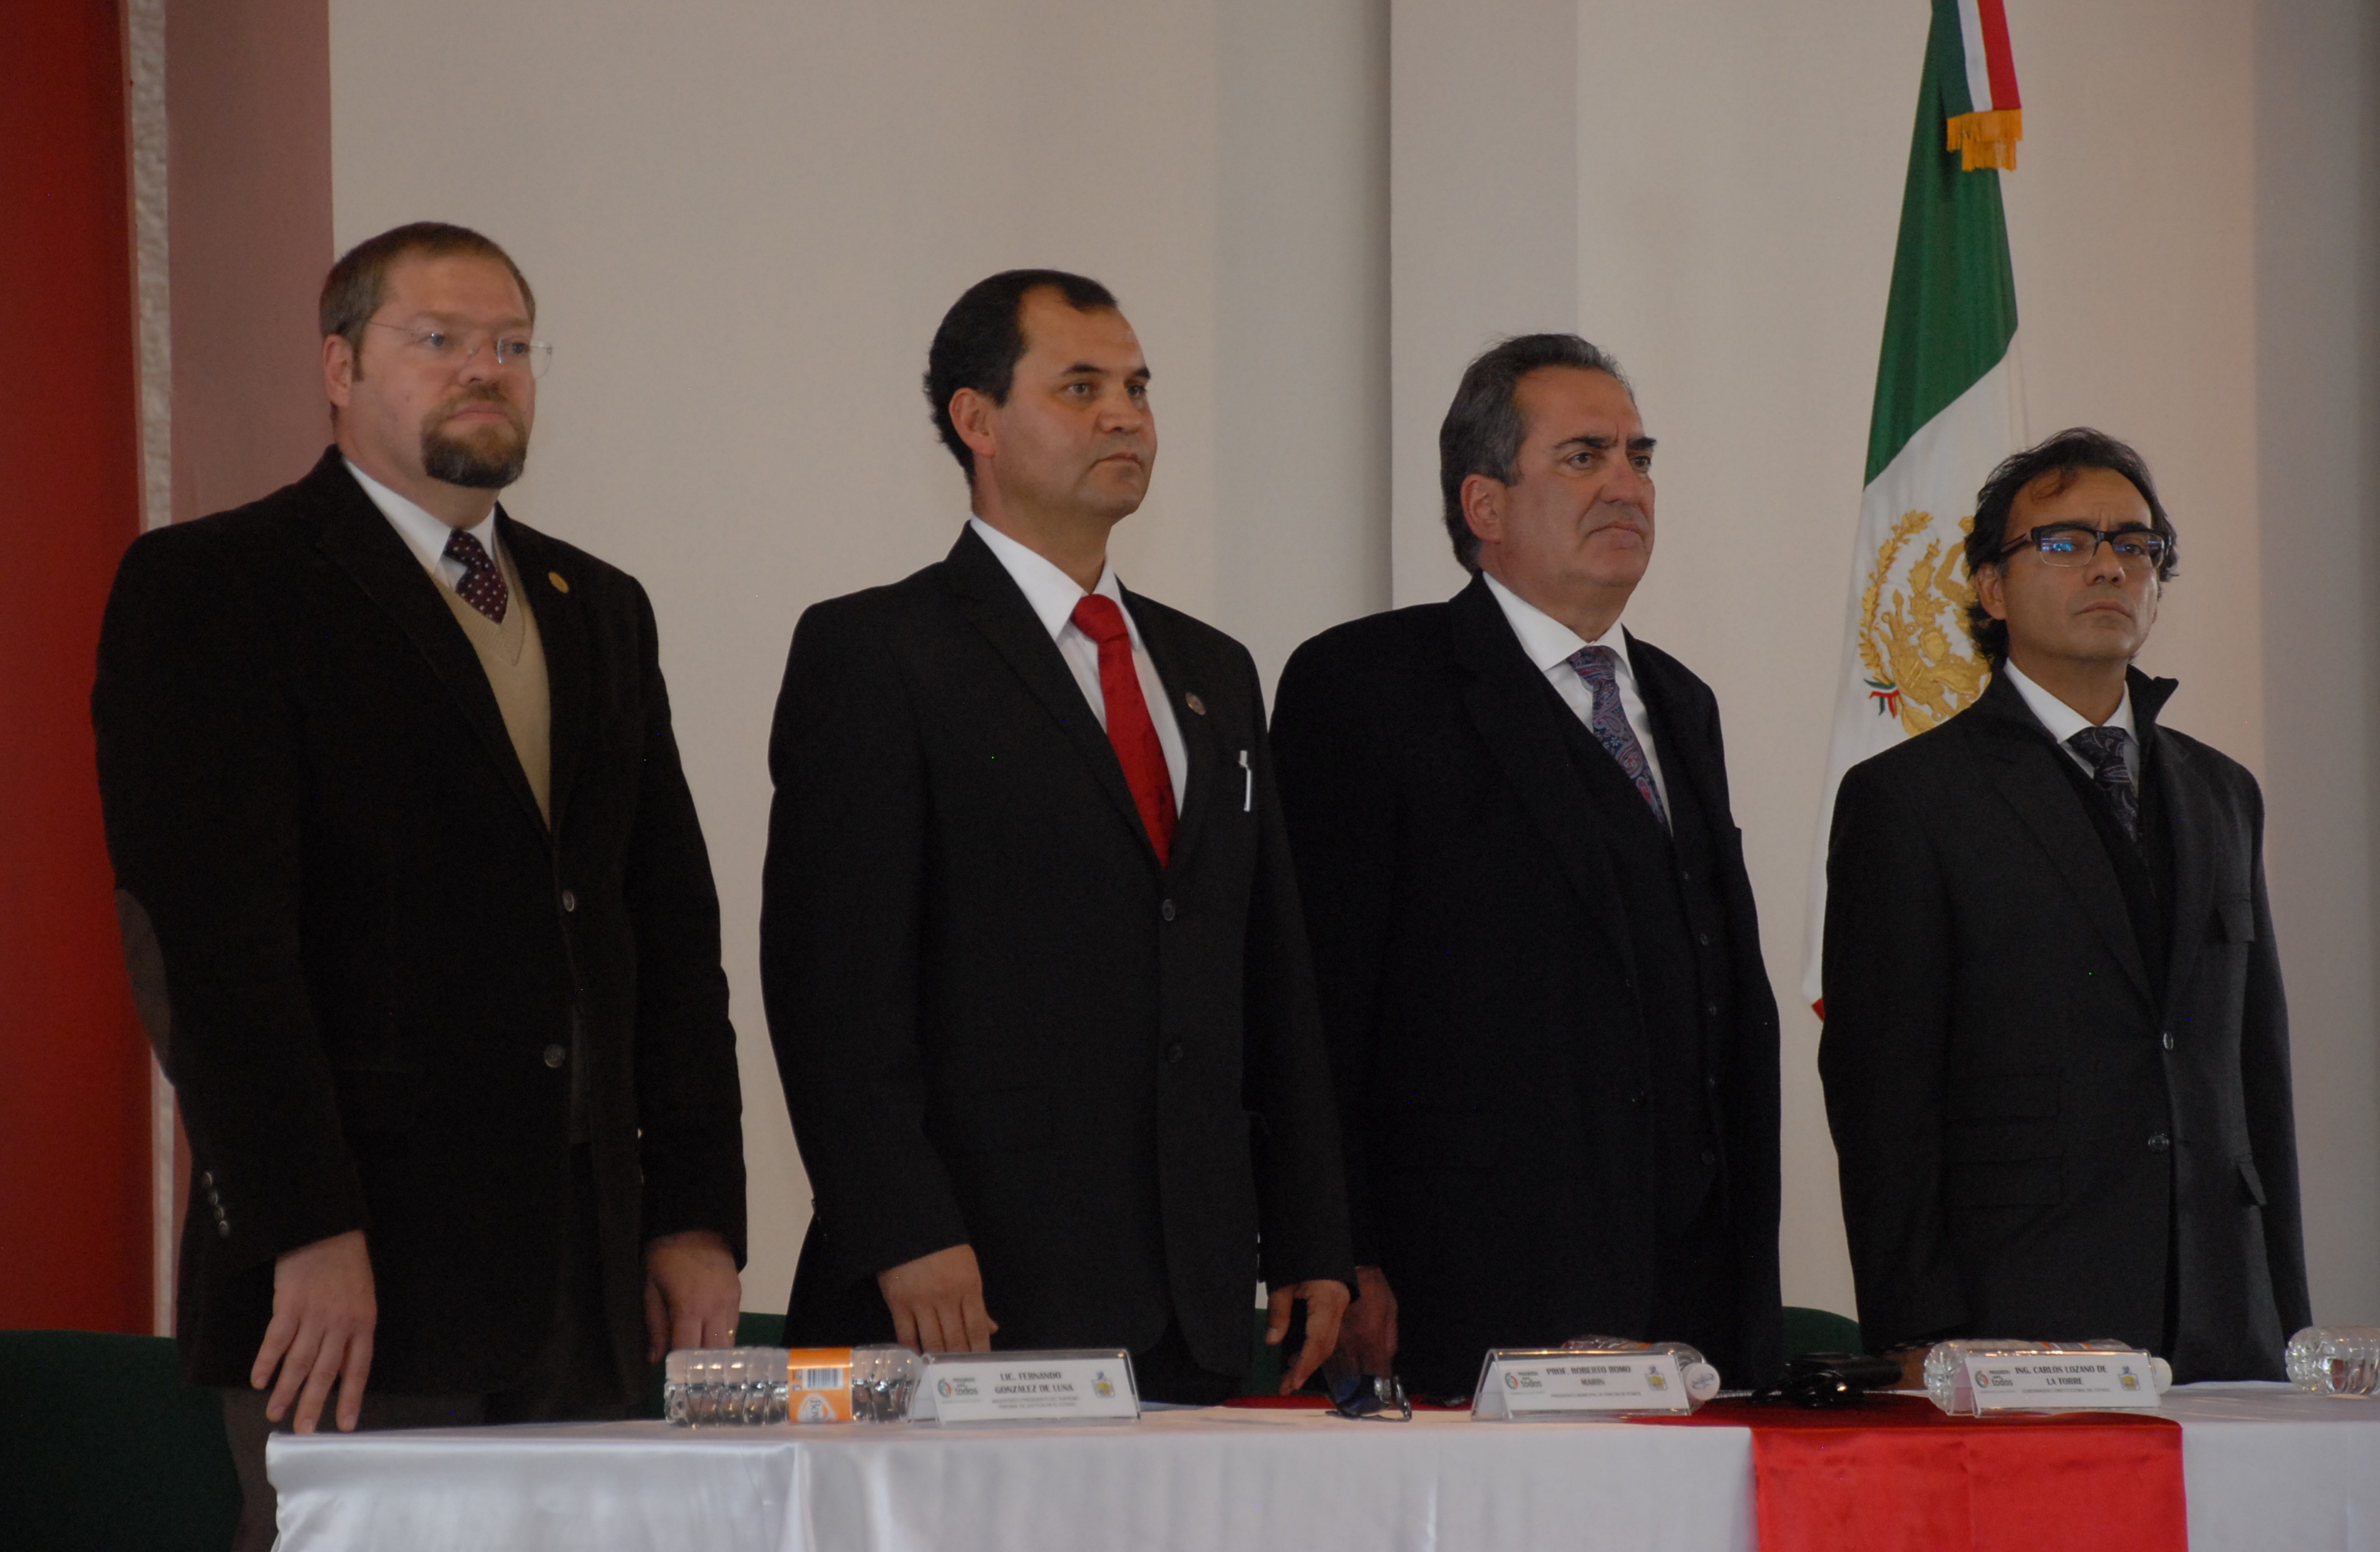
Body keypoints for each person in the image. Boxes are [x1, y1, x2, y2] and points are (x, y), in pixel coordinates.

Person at [93, 223, 746, 1548]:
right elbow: (212, 954)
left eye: (511, 345)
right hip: (352, 1282)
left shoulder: (599, 605)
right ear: (340, 368)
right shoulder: (218, 584)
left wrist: (693, 1215)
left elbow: (666, 938)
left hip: (585, 1282)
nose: (484, 370)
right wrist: (304, 1227)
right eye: (438, 340)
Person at [761, 269, 1352, 1402]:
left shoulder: (1213, 671)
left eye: (1137, 388)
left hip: (1193, 1298)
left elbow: (1268, 973)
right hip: (971, 1292)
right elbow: (834, 986)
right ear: (976, 420)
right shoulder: (878, 652)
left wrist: (1312, 1232)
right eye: (1081, 388)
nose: (1125, 416)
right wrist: (902, 1229)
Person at [1270, 334, 1784, 1401]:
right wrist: (1341, 1249)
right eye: (1583, 456)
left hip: (1690, 1290)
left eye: (1639, 457)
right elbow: (1312, 1005)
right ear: (1485, 504)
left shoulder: (1680, 702)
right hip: (1467, 1280)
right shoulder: (1367, 685)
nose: (1626, 485)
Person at [1820, 428, 2310, 1383]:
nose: (2107, 566)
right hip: (2018, 1313)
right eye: (2063, 541)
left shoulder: (2222, 793)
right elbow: (1883, 1099)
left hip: (2223, 1319)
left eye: (2134, 544)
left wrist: (2287, 1321)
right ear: (1990, 588)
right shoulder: (1910, 800)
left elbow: (2257, 1078)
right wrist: (1915, 1332)